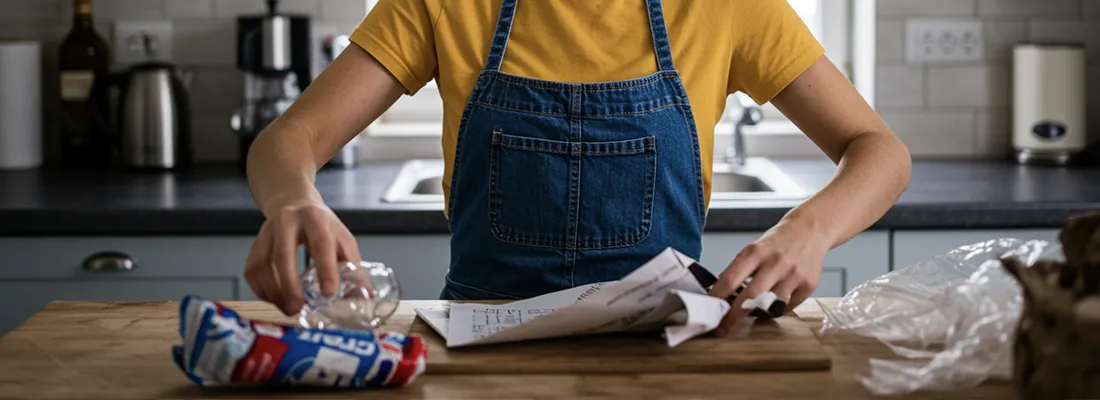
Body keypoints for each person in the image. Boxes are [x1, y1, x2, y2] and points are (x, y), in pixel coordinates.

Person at [243, 0, 912, 337]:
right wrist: (294, 199)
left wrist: (811, 228)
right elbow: (290, 137)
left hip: (665, 359)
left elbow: (879, 149)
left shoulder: (723, 7)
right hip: (480, 360)